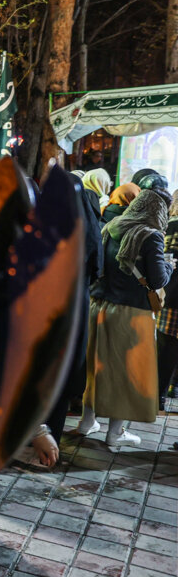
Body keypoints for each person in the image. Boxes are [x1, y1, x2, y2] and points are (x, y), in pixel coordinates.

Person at [78, 188, 173, 446]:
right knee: (124, 372)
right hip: (130, 313)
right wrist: (169, 266)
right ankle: (115, 433)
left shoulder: (112, 225)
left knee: (95, 368)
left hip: (98, 305)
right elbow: (157, 280)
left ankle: (87, 422)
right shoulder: (150, 236)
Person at [156, 197, 178, 404]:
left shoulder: (170, 225)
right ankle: (172, 387)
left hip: (171, 292)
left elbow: (163, 258)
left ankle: (158, 393)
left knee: (166, 345)